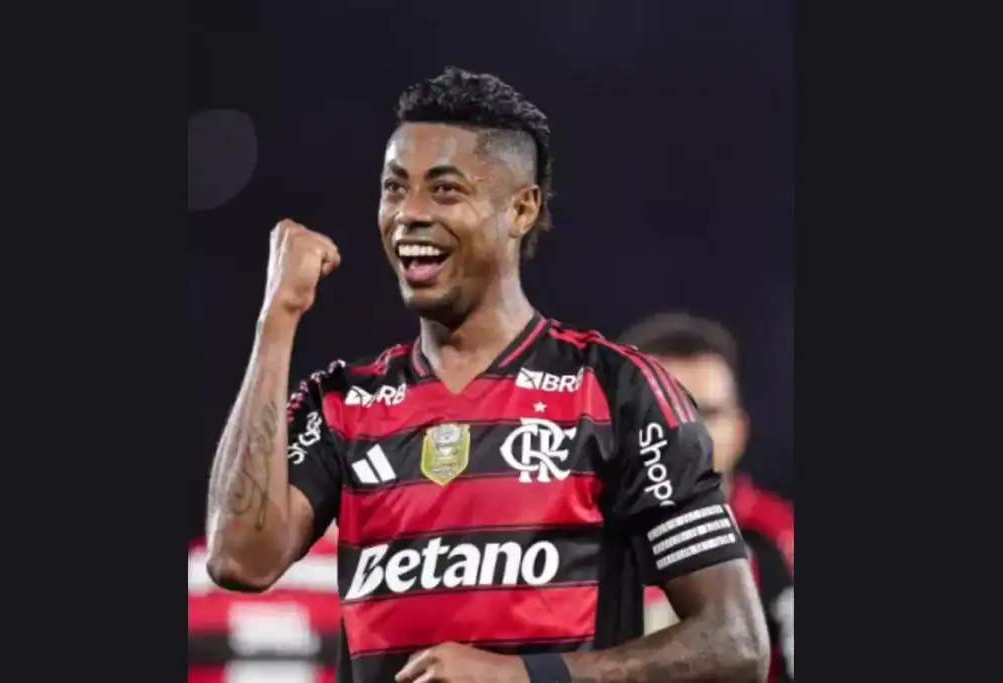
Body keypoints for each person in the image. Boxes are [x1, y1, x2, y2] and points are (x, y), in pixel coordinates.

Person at [204, 67, 769, 683]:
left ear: (521, 208)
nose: (408, 214)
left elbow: (734, 642)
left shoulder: (616, 391)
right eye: (394, 188)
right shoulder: (345, 403)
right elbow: (240, 560)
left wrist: (529, 677)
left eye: (444, 191)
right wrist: (277, 318)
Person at [618, 313, 794, 682]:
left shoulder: (785, 540)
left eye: (708, 413)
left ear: (739, 429)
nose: (690, 436)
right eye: (666, 411)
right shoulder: (576, 541)